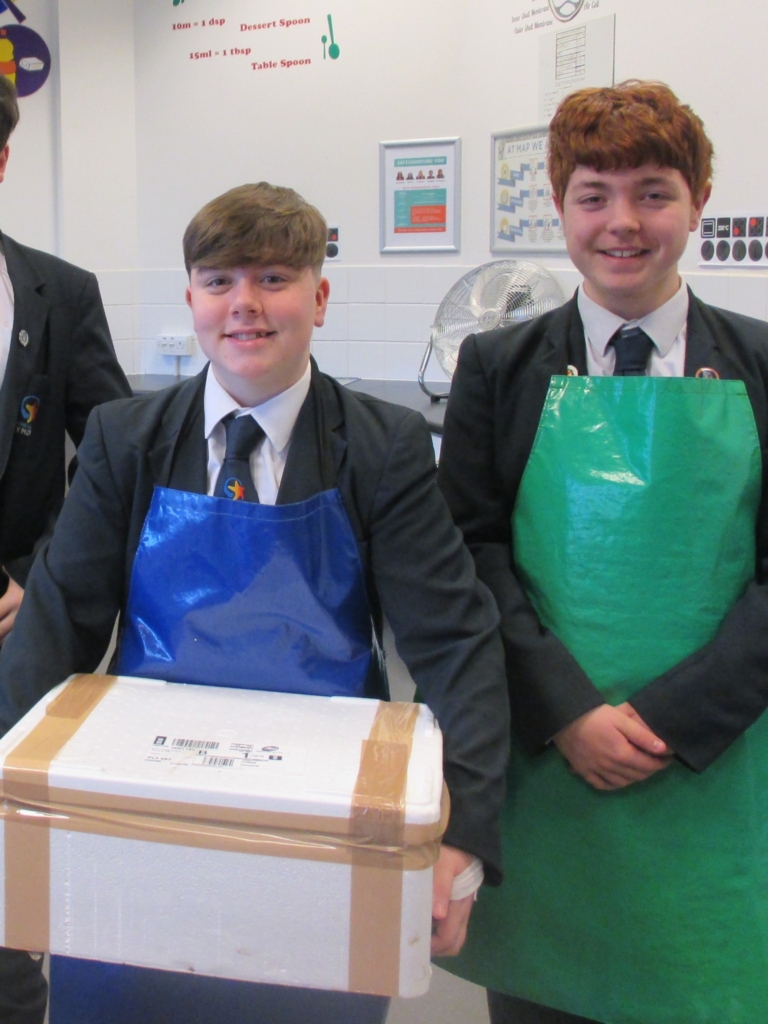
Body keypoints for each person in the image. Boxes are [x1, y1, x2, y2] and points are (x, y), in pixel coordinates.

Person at [0, 181, 509, 1024]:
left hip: (323, 839)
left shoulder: (381, 450)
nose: (245, 306)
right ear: (191, 296)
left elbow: (456, 643)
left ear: (319, 295)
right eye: (218, 281)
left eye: (273, 278)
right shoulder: (126, 440)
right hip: (138, 825)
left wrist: (465, 834)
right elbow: (54, 625)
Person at [437, 80, 768, 1024]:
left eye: (653, 192)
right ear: (561, 207)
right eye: (594, 195)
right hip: (547, 768)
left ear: (697, 202)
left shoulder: (761, 365)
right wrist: (571, 712)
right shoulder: (498, 369)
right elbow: (472, 553)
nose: (623, 222)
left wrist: (670, 717)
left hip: (716, 768)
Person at [0, 74, 131, 1023]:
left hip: (14, 641)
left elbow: (112, 458)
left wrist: (39, 573)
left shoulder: (59, 293)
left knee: (7, 903)